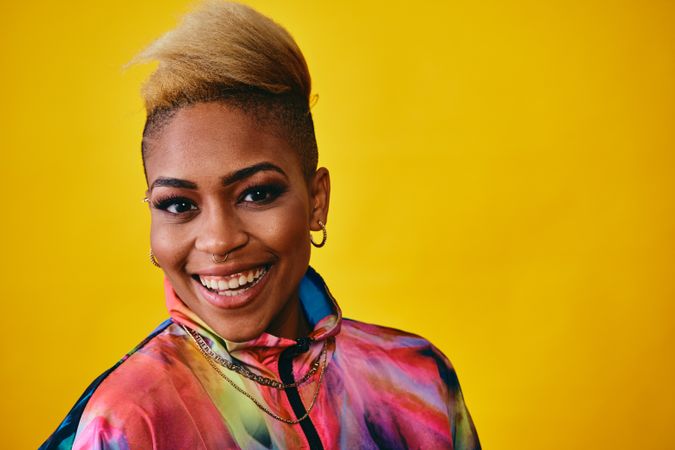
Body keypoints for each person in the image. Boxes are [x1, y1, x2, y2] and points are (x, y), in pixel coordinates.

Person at [40, 1, 481, 449]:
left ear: (316, 200)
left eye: (256, 194)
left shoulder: (418, 380)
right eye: (177, 204)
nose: (219, 239)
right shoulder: (130, 421)